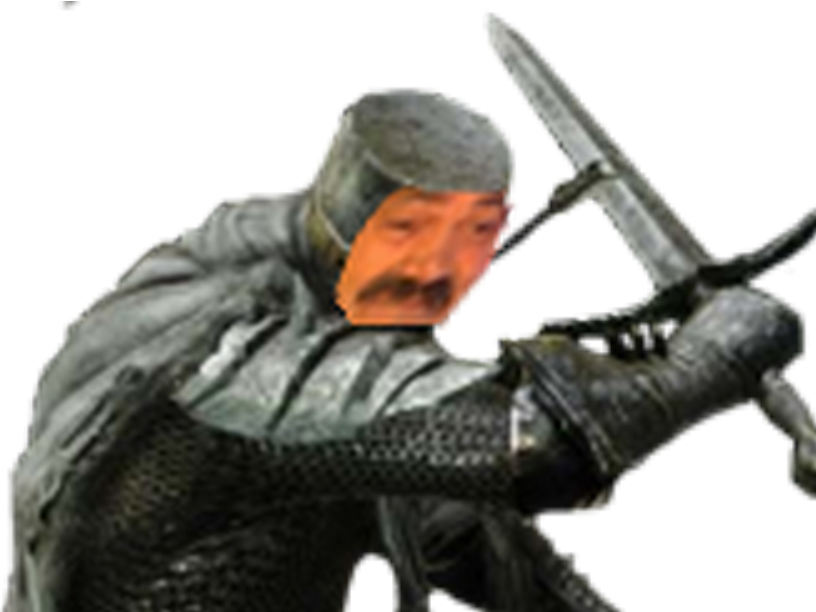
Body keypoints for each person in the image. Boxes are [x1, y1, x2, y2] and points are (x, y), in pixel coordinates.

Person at [4, 86, 808, 612]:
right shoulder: (237, 365)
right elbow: (537, 448)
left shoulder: (301, 294)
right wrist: (714, 360)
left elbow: (449, 517)